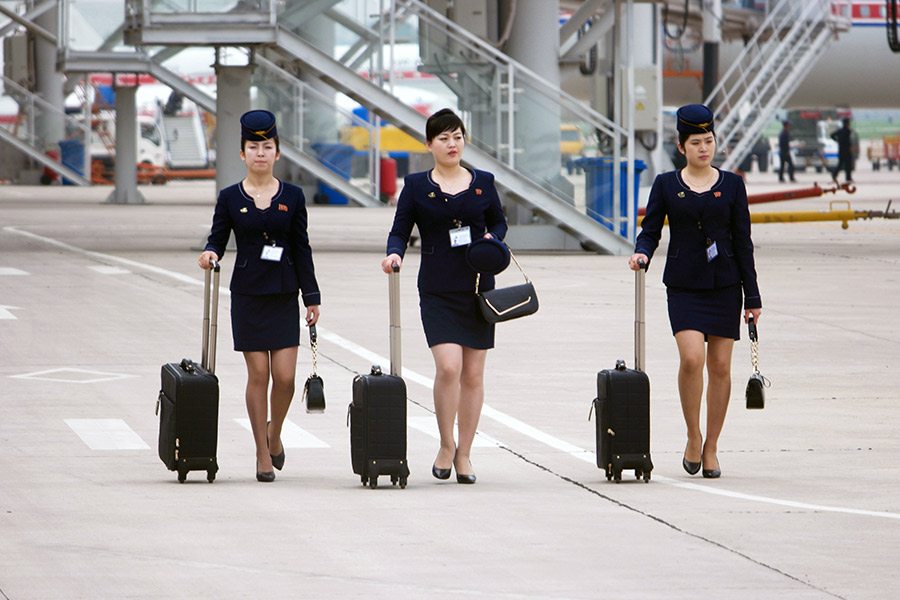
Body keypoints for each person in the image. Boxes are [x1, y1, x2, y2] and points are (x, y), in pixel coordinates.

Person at [628, 103, 762, 479]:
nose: (704, 148)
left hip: (725, 285)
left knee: (720, 367)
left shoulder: (733, 185)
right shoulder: (667, 185)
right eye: (696, 142)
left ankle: (712, 447)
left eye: (709, 141)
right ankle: (692, 435)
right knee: (691, 360)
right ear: (681, 145)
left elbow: (743, 242)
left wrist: (752, 298)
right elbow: (650, 229)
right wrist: (642, 252)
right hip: (684, 286)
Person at [381, 108, 508, 485]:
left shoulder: (483, 181)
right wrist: (393, 254)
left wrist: (492, 238)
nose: (452, 144)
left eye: (457, 137)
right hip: (437, 288)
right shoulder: (418, 186)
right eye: (443, 138)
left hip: (477, 286)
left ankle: (465, 453)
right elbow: (400, 229)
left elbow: (499, 220)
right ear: (429, 144)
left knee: (473, 373)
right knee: (449, 367)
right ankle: (445, 443)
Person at [197, 109, 321, 483]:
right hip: (249, 294)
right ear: (242, 154)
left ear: (278, 153)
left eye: (268, 146)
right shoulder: (230, 198)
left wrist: (311, 296)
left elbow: (302, 247)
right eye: (254, 147)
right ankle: (261, 452)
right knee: (260, 374)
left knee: (285, 378)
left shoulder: (294, 197)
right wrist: (210, 253)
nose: (261, 153)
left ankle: (274, 432)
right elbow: (218, 238)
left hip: (284, 294)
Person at [831, 117, 855, 183]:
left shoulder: (840, 131)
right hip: (846, 151)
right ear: (847, 123)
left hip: (841, 150)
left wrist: (837, 140)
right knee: (847, 165)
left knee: (840, 164)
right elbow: (848, 141)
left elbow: (832, 135)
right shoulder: (847, 131)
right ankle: (848, 178)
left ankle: (834, 175)